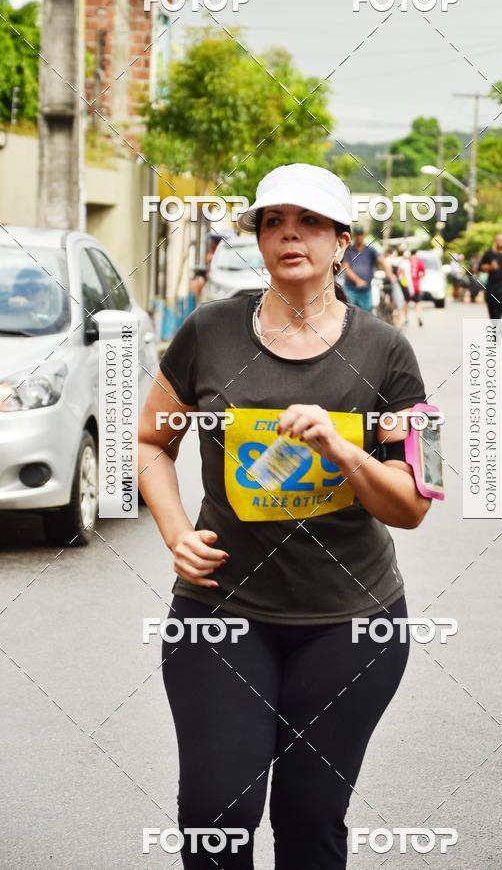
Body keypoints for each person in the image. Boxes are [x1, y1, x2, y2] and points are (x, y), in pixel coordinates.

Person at [139, 163, 433, 869]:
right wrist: (177, 532)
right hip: (221, 612)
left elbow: (414, 504)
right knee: (218, 813)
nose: (289, 234)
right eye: (274, 222)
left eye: (309, 222)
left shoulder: (386, 352)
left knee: (309, 820)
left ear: (343, 243)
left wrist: (342, 447)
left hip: (351, 622)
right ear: (260, 240)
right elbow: (152, 440)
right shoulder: (209, 333)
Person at [340, 225, 387, 311]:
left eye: (361, 234)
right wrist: (357, 280)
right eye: (357, 235)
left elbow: (381, 261)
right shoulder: (349, 251)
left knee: (367, 314)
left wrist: (389, 274)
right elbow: (346, 268)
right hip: (351, 289)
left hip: (366, 289)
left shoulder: (370, 250)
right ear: (354, 236)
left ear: (363, 235)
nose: (359, 237)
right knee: (351, 313)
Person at [478, 233, 502, 319]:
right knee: (491, 309)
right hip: (491, 285)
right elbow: (480, 267)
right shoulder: (489, 253)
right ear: (495, 241)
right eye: (498, 240)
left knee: (499, 308)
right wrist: (490, 267)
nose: (500, 242)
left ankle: (496, 329)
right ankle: (494, 327)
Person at [400, 248, 426, 327]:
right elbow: (424, 273)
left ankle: (406, 319)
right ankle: (418, 316)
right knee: (418, 302)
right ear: (416, 253)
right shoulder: (419, 261)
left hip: (407, 285)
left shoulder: (406, 261)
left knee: (406, 301)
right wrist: (419, 278)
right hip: (416, 285)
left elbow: (400, 273)